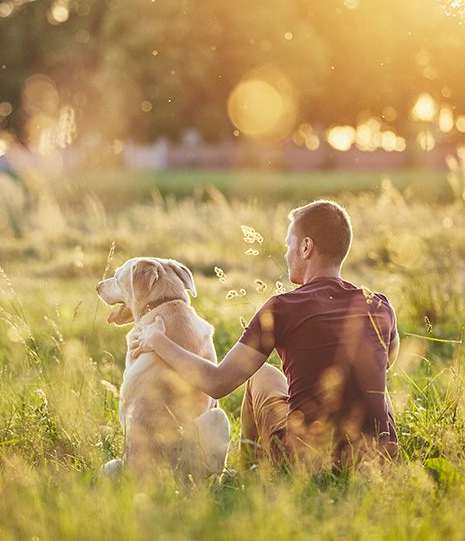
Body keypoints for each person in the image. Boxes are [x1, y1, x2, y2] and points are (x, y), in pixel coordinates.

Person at [129, 199, 400, 470]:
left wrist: (157, 341)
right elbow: (386, 361)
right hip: (378, 458)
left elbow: (217, 383)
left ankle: (249, 473)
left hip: (309, 459)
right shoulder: (380, 305)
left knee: (259, 375)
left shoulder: (282, 308)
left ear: (306, 247)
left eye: (288, 244)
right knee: (376, 388)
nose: (285, 254)